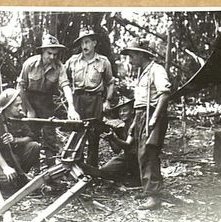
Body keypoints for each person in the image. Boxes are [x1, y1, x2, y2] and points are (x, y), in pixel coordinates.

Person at [120, 38, 172, 210]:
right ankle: (148, 188)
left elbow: (164, 94)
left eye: (132, 55)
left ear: (141, 55)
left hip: (152, 114)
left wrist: (154, 118)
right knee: (141, 152)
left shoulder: (156, 70)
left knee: (149, 152)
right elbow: (140, 102)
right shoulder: (143, 71)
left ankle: (154, 196)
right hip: (142, 114)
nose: (130, 60)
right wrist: (136, 122)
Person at [16, 34, 79, 167]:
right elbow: (20, 87)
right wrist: (29, 109)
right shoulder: (30, 64)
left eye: (55, 54)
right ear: (42, 51)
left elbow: (66, 86)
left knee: (50, 137)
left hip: (47, 103)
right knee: (30, 136)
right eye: (49, 53)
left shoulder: (59, 67)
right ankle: (31, 168)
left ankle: (51, 171)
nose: (52, 57)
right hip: (29, 101)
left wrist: (72, 107)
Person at [65, 26, 115, 167]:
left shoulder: (103, 62)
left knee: (94, 135)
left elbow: (110, 82)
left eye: (87, 42)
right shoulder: (73, 61)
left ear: (94, 43)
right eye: (82, 43)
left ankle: (92, 169)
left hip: (95, 100)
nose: (84, 46)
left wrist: (107, 101)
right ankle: (77, 166)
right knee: (77, 133)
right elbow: (63, 79)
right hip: (78, 99)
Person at [0, 88, 40, 194]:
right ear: (7, 107)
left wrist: (15, 140)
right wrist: (6, 168)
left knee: (34, 146)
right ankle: (12, 176)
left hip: (15, 156)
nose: (20, 108)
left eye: (20, 104)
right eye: (17, 105)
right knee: (7, 182)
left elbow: (30, 137)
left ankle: (21, 174)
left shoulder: (20, 117)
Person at [98, 100, 141, 186]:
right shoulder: (123, 126)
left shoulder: (135, 124)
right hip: (127, 157)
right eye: (120, 111)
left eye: (125, 110)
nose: (122, 113)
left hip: (138, 158)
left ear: (132, 111)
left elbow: (128, 145)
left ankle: (133, 178)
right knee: (104, 170)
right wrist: (110, 138)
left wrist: (113, 138)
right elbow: (117, 150)